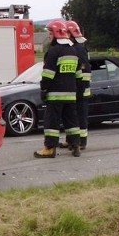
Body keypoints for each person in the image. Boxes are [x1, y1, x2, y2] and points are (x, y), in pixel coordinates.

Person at [34, 20, 82, 158]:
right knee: (72, 121)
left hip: (55, 95)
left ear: (56, 34)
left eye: (50, 33)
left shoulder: (54, 51)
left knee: (51, 122)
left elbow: (48, 74)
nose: (49, 36)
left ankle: (49, 148)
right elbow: (78, 73)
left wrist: (43, 89)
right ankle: (75, 145)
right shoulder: (73, 50)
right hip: (71, 95)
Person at [60, 20, 91, 151]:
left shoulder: (79, 49)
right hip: (75, 88)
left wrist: (80, 88)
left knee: (80, 116)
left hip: (81, 90)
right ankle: (71, 140)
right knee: (71, 116)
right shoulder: (75, 47)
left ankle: (82, 142)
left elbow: (85, 71)